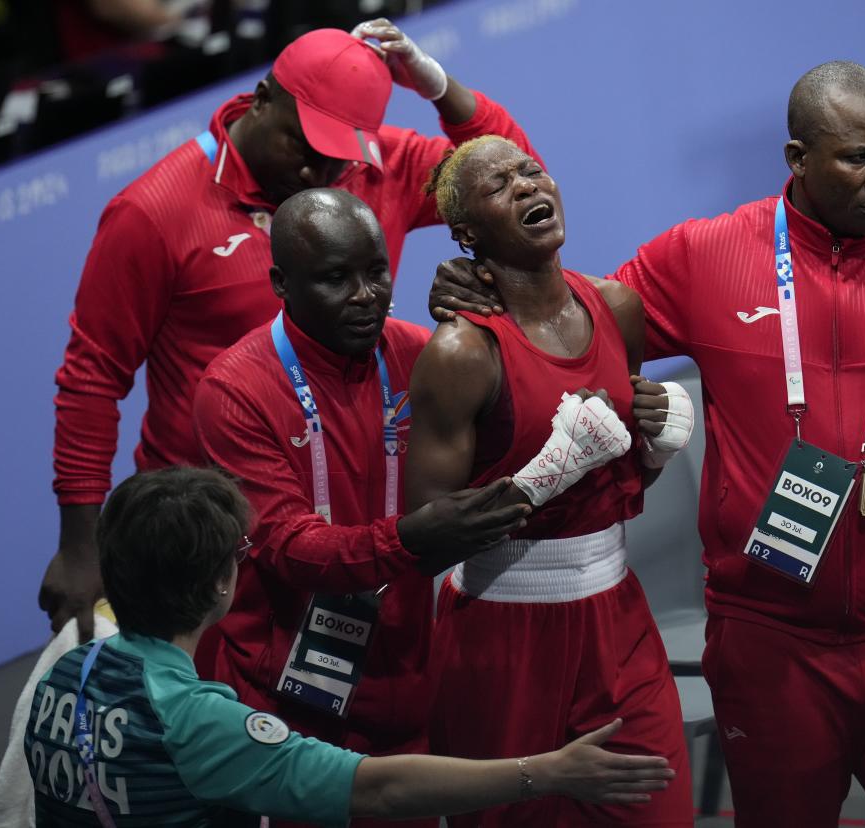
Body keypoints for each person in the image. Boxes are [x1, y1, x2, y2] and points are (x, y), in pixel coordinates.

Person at [428, 63, 865, 827]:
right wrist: (486, 287)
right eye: (859, 157)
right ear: (797, 159)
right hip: (770, 647)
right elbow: (567, 331)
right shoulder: (704, 256)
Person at [41, 19, 541, 642]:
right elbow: (93, 379)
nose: (316, 172)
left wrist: (437, 86)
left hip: (345, 508)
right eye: (302, 146)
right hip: (206, 526)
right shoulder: (153, 212)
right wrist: (80, 547)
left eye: (337, 153)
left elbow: (515, 181)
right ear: (262, 97)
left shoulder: (369, 167)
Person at [25, 465, 676, 828]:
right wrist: (547, 771)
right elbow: (378, 790)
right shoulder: (197, 722)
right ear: (224, 582)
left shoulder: (60, 677)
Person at [191, 187, 537, 828]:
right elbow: (290, 547)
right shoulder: (233, 391)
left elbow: (531, 430)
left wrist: (500, 312)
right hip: (290, 702)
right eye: (334, 278)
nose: (365, 295)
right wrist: (411, 541)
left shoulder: (428, 356)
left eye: (376, 271)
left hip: (421, 681)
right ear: (281, 283)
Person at [405, 135, 695, 827]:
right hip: (502, 641)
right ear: (468, 234)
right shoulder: (460, 354)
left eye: (531, 171)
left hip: (619, 622)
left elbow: (616, 489)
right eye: (500, 185)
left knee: (660, 813)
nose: (528, 185)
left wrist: (654, 449)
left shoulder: (619, 309)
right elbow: (424, 534)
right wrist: (544, 474)